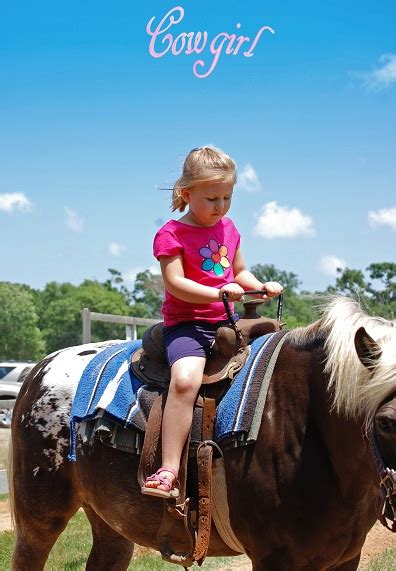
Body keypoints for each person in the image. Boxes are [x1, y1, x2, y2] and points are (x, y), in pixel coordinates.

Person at [141, 146, 283, 498]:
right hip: (188, 325)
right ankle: (168, 468)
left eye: (227, 197)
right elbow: (176, 283)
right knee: (186, 383)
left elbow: (240, 272)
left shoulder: (229, 228)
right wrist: (220, 292)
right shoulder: (171, 234)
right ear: (186, 194)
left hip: (227, 324)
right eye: (211, 198)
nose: (220, 206)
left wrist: (259, 287)